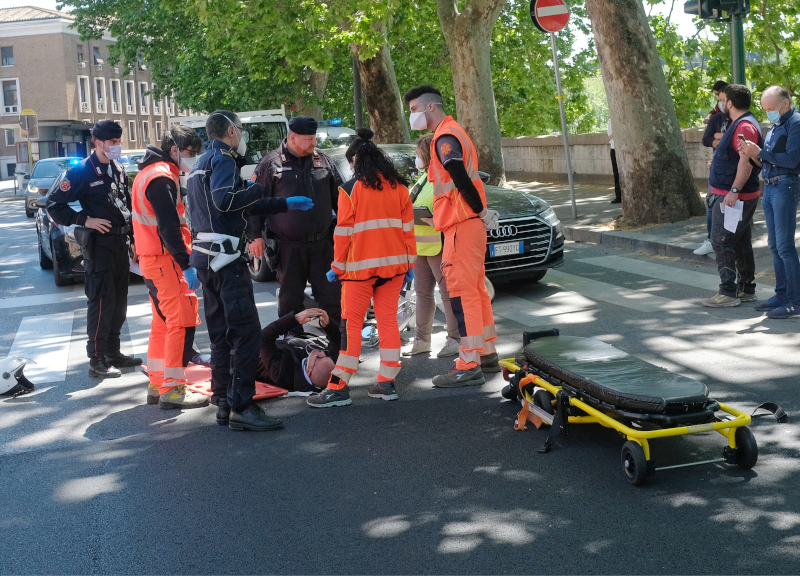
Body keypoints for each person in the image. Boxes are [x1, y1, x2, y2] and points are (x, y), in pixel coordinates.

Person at [186, 109, 314, 431]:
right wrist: (257, 186)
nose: (242, 136)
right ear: (230, 131)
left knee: (220, 336)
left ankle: (223, 401)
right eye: (241, 130)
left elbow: (237, 203)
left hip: (207, 261)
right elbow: (226, 201)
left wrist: (283, 203)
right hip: (227, 262)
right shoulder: (224, 160)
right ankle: (242, 406)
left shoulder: (200, 163)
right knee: (245, 335)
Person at [307, 129, 416, 408]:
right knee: (388, 322)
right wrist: (409, 264)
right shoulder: (400, 189)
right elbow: (408, 232)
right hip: (393, 270)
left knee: (351, 327)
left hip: (358, 272)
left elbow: (342, 234)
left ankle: (339, 387)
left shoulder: (350, 190)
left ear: (354, 160)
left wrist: (337, 268)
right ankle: (386, 383)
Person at [403, 85, 501, 388]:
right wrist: (480, 213)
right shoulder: (452, 132)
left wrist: (480, 211)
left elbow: (457, 175)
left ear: (431, 107)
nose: (412, 116)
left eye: (415, 110)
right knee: (476, 291)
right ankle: (486, 354)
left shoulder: (445, 137)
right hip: (467, 224)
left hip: (461, 224)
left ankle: (468, 362)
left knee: (463, 293)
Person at [46, 120, 140, 378]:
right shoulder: (82, 172)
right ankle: (96, 360)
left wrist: (133, 240)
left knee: (120, 301)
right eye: (112, 143)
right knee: (101, 301)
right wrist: (84, 220)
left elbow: (125, 207)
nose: (117, 147)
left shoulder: (118, 168)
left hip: (120, 243)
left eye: (119, 142)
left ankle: (113, 352)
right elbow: (53, 204)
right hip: (99, 246)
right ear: (98, 143)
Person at [249, 116, 343, 352]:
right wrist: (255, 236)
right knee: (291, 302)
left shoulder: (324, 161)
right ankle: (293, 349)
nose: (314, 143)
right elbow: (255, 204)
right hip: (288, 246)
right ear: (292, 138)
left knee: (332, 300)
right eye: (309, 139)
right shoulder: (270, 164)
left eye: (314, 138)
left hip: (323, 244)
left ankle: (339, 350)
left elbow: (341, 200)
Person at [132, 125, 210, 410]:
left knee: (161, 323)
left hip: (152, 259)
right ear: (175, 150)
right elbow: (168, 227)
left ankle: (157, 382)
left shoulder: (147, 174)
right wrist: (186, 263)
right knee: (176, 323)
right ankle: (172, 389)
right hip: (165, 261)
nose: (192, 159)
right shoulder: (162, 178)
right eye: (190, 153)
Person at [739, 86, 800, 318]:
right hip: (772, 186)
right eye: (765, 109)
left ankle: (795, 299)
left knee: (785, 246)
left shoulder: (795, 123)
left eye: (772, 109)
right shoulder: (776, 126)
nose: (768, 113)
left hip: (786, 185)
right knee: (775, 246)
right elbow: (767, 162)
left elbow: (792, 159)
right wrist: (752, 154)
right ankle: (782, 294)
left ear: (786, 103)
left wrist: (760, 153)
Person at [701, 84, 763, 308]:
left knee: (721, 240)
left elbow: (746, 163)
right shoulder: (742, 124)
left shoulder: (743, 126)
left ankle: (728, 292)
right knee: (739, 243)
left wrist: (734, 191)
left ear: (729, 103)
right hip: (736, 194)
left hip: (734, 197)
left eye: (723, 100)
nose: (720, 104)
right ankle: (746, 288)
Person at [402, 133, 461, 358]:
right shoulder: (424, 177)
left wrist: (435, 220)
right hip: (421, 246)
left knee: (447, 294)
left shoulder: (443, 178)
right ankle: (422, 341)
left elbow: (452, 208)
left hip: (439, 245)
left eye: (418, 154)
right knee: (423, 294)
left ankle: (455, 339)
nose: (416, 158)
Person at [257, 308, 338, 394]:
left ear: (308, 371)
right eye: (326, 356)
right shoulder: (326, 366)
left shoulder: (284, 372)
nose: (322, 353)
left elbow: (264, 338)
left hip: (252, 354)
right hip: (295, 343)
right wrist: (329, 324)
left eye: (318, 357)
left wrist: (294, 319)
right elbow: (338, 341)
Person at [696, 85, 731, 256]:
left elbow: (735, 139)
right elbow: (707, 139)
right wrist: (722, 138)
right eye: (719, 100)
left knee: (731, 207)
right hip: (716, 168)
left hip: (732, 169)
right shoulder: (716, 118)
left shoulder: (738, 119)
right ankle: (711, 240)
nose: (721, 103)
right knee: (710, 204)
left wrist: (720, 137)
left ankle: (729, 241)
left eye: (724, 100)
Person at [608, 120, 621, 204]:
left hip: (625, 148)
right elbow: (610, 136)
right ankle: (619, 196)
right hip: (614, 149)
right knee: (616, 174)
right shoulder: (611, 121)